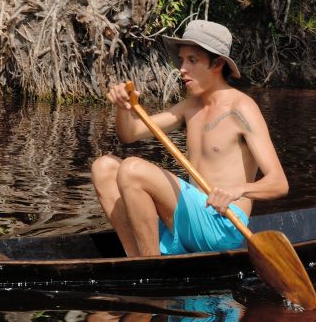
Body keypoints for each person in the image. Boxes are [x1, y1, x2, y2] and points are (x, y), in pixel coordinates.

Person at [91, 19, 290, 257]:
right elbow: (129, 134)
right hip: (190, 220)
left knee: (132, 169)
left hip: (222, 225)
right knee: (103, 167)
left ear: (216, 64)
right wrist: (124, 107)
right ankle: (137, 259)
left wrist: (238, 190)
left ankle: (150, 265)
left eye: (192, 60)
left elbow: (279, 183)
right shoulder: (190, 107)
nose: (182, 68)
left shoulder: (241, 108)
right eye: (182, 59)